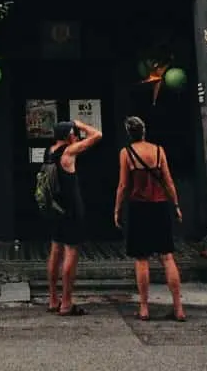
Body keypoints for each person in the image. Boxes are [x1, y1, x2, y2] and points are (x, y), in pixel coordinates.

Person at [113, 116, 186, 322]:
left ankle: (144, 307)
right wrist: (176, 205)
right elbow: (168, 181)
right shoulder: (158, 151)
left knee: (141, 258)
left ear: (129, 133)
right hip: (160, 205)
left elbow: (123, 185)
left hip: (139, 207)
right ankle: (178, 307)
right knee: (167, 256)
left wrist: (117, 209)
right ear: (144, 131)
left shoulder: (126, 153)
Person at [45, 119, 102, 316]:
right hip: (70, 208)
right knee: (71, 252)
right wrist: (82, 124)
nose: (76, 136)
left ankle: (53, 298)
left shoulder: (50, 151)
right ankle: (67, 302)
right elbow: (97, 135)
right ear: (68, 136)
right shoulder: (68, 152)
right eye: (73, 133)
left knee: (55, 250)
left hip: (55, 208)